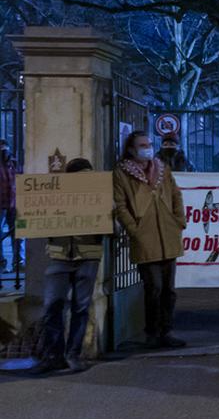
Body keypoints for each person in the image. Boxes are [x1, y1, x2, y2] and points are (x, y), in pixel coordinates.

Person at [113, 130, 187, 349]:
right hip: (145, 237)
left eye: (149, 144)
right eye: (142, 145)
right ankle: (152, 333)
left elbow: (176, 194)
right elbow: (120, 204)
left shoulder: (162, 169)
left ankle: (166, 331)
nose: (148, 147)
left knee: (169, 290)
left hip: (168, 233)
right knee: (153, 287)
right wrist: (134, 230)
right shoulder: (122, 173)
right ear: (131, 149)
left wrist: (178, 220)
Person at [29, 159, 104, 375]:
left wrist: (107, 215)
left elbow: (113, 230)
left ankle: (73, 354)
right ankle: (54, 356)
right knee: (53, 307)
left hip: (88, 256)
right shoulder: (56, 198)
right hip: (59, 257)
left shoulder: (100, 197)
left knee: (80, 308)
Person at [0, 139, 16, 272]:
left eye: (5, 149)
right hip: (1, 204)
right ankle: (1, 262)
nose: (4, 152)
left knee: (17, 232)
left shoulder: (13, 164)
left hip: (14, 204)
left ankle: (18, 261)